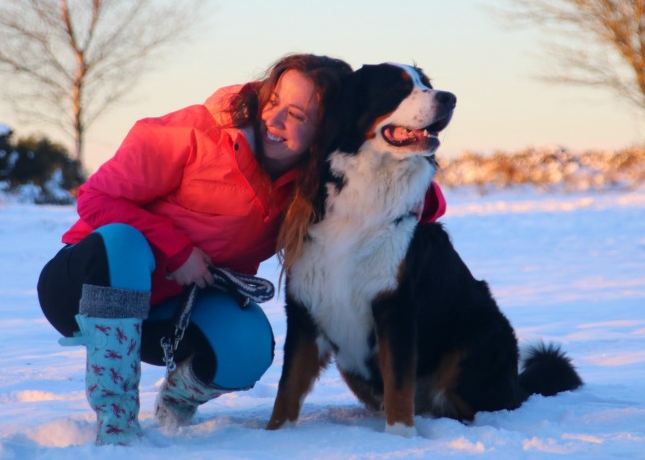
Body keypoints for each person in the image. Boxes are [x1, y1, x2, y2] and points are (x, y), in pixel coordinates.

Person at [36, 52, 447, 445]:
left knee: (249, 344)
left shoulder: (306, 182)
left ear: (322, 133)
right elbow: (95, 198)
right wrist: (177, 251)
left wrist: (423, 199)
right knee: (124, 242)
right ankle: (117, 424)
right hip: (85, 285)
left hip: (169, 312)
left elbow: (377, 183)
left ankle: (174, 407)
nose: (274, 119)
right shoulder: (194, 132)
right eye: (274, 101)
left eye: (298, 115)